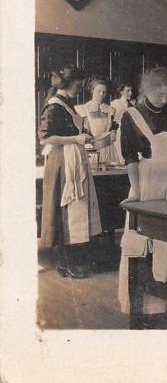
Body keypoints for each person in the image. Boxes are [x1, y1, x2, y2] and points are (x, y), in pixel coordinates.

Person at [117, 67, 167, 318]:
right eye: (160, 94)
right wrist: (136, 191)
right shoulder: (132, 115)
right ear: (147, 90)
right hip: (147, 181)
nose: (165, 99)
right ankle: (147, 306)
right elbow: (129, 157)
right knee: (145, 242)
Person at [39, 65, 102, 279]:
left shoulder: (67, 104)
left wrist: (85, 135)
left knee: (76, 211)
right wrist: (75, 139)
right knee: (66, 211)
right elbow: (45, 138)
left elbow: (72, 130)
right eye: (78, 84)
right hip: (62, 162)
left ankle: (70, 262)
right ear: (68, 83)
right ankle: (65, 262)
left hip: (73, 159)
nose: (80, 88)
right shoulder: (54, 105)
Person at [75, 76, 123, 164]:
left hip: (109, 150)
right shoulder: (82, 109)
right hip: (92, 150)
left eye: (104, 92)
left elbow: (113, 134)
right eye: (98, 91)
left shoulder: (111, 110)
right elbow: (82, 134)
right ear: (92, 90)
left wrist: (113, 133)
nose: (101, 94)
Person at [110, 82, 135, 163]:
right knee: (120, 153)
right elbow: (112, 119)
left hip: (129, 131)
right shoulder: (115, 103)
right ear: (121, 92)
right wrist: (113, 131)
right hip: (118, 131)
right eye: (127, 91)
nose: (130, 93)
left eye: (131, 90)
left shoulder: (131, 104)